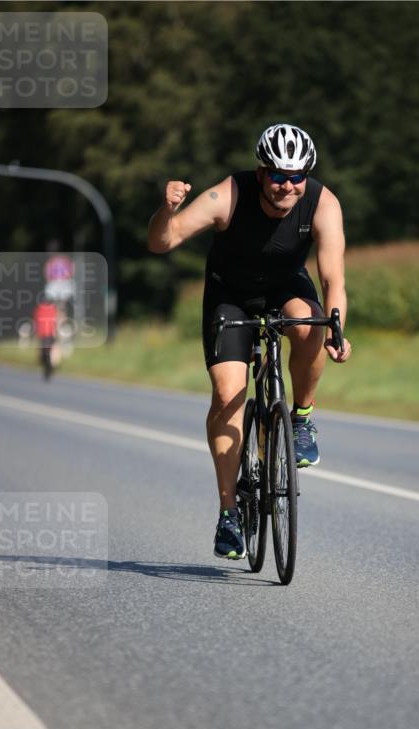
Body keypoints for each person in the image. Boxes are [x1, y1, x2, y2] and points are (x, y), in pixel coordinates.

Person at [148, 123, 351, 559]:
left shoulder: (322, 202)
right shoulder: (227, 197)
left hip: (286, 287)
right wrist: (166, 210)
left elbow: (333, 276)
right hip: (230, 295)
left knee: (309, 323)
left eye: (297, 176)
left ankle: (300, 419)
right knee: (227, 396)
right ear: (260, 173)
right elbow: (163, 241)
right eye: (277, 174)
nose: (287, 185)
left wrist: (336, 328)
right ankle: (228, 515)